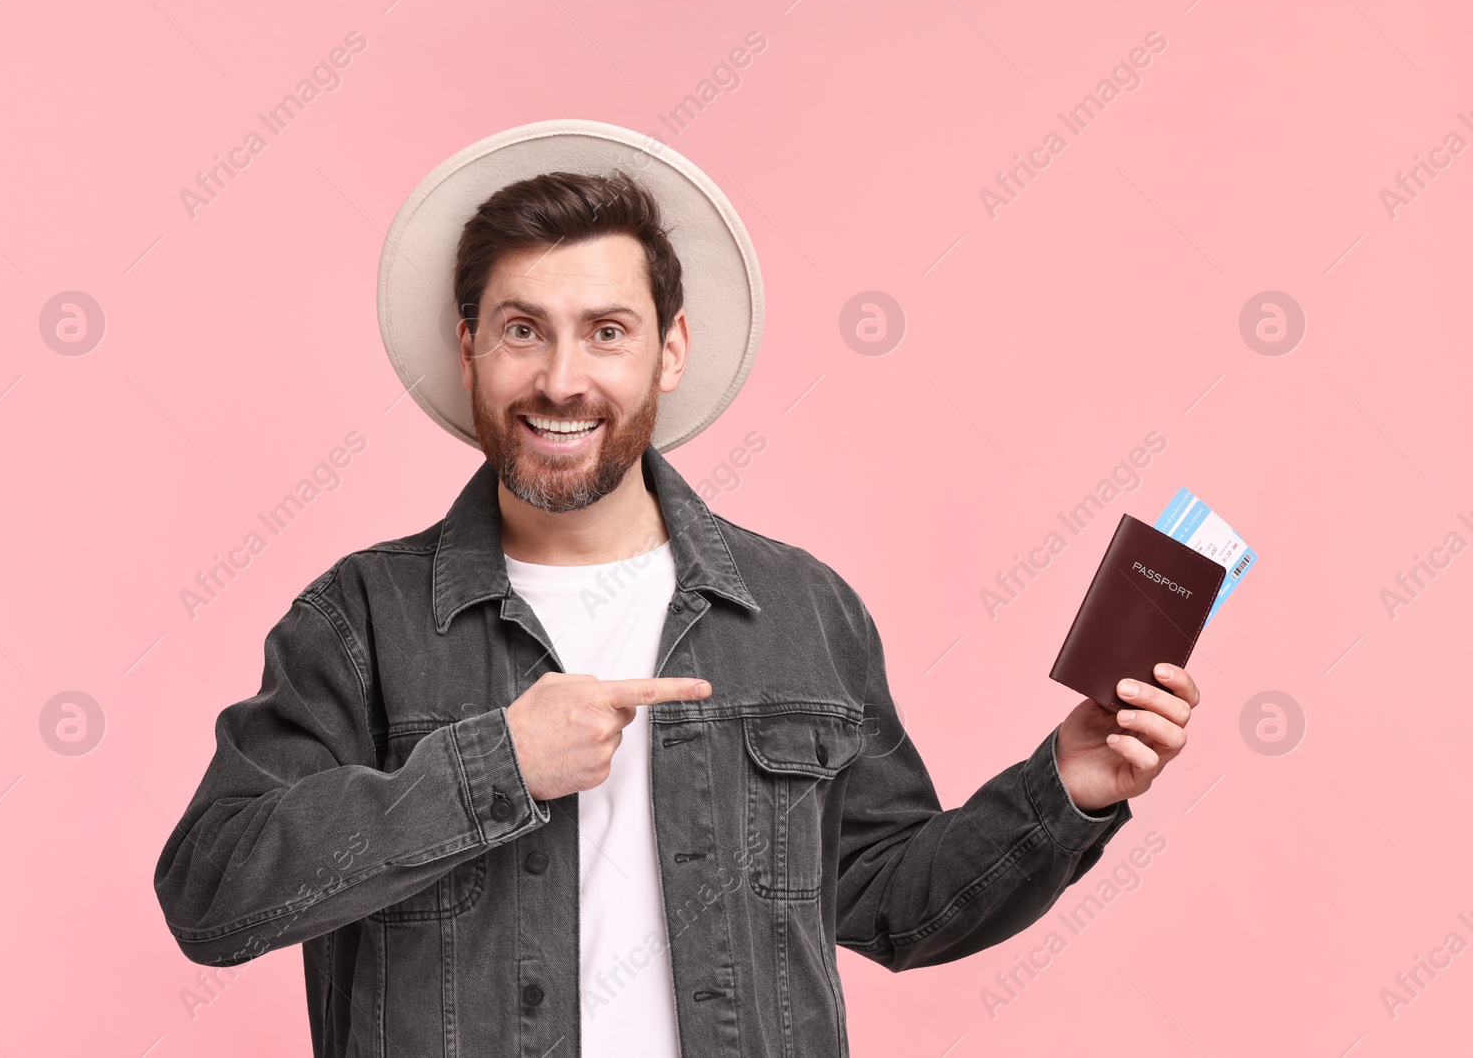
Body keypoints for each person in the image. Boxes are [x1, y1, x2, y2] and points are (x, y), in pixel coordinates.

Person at [153, 121, 1201, 1058]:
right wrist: (493, 765)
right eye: (523, 329)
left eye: (607, 331)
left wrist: (1062, 788)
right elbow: (213, 891)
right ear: (469, 347)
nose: (562, 379)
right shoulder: (359, 621)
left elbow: (887, 901)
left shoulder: (800, 611)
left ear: (669, 351)